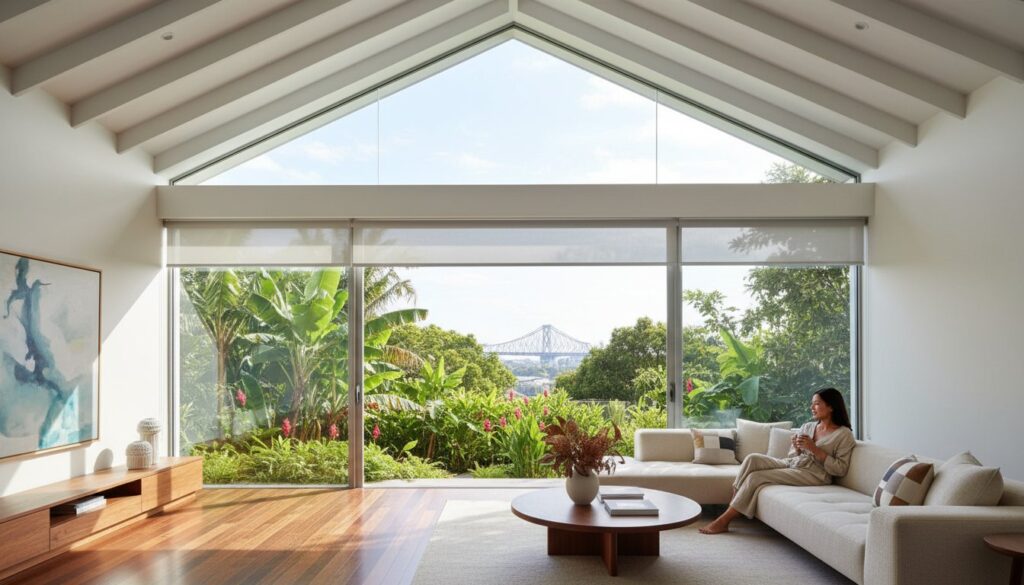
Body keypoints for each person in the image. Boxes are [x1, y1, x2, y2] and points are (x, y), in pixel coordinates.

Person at [699, 387, 856, 535]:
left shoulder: (844, 434)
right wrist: (797, 448)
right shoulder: (808, 426)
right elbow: (792, 455)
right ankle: (734, 501)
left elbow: (840, 469)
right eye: (812, 404)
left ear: (831, 407)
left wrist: (814, 449)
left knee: (756, 477)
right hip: (794, 464)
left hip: (815, 474)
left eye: (816, 404)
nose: (812, 407)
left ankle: (724, 520)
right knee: (752, 458)